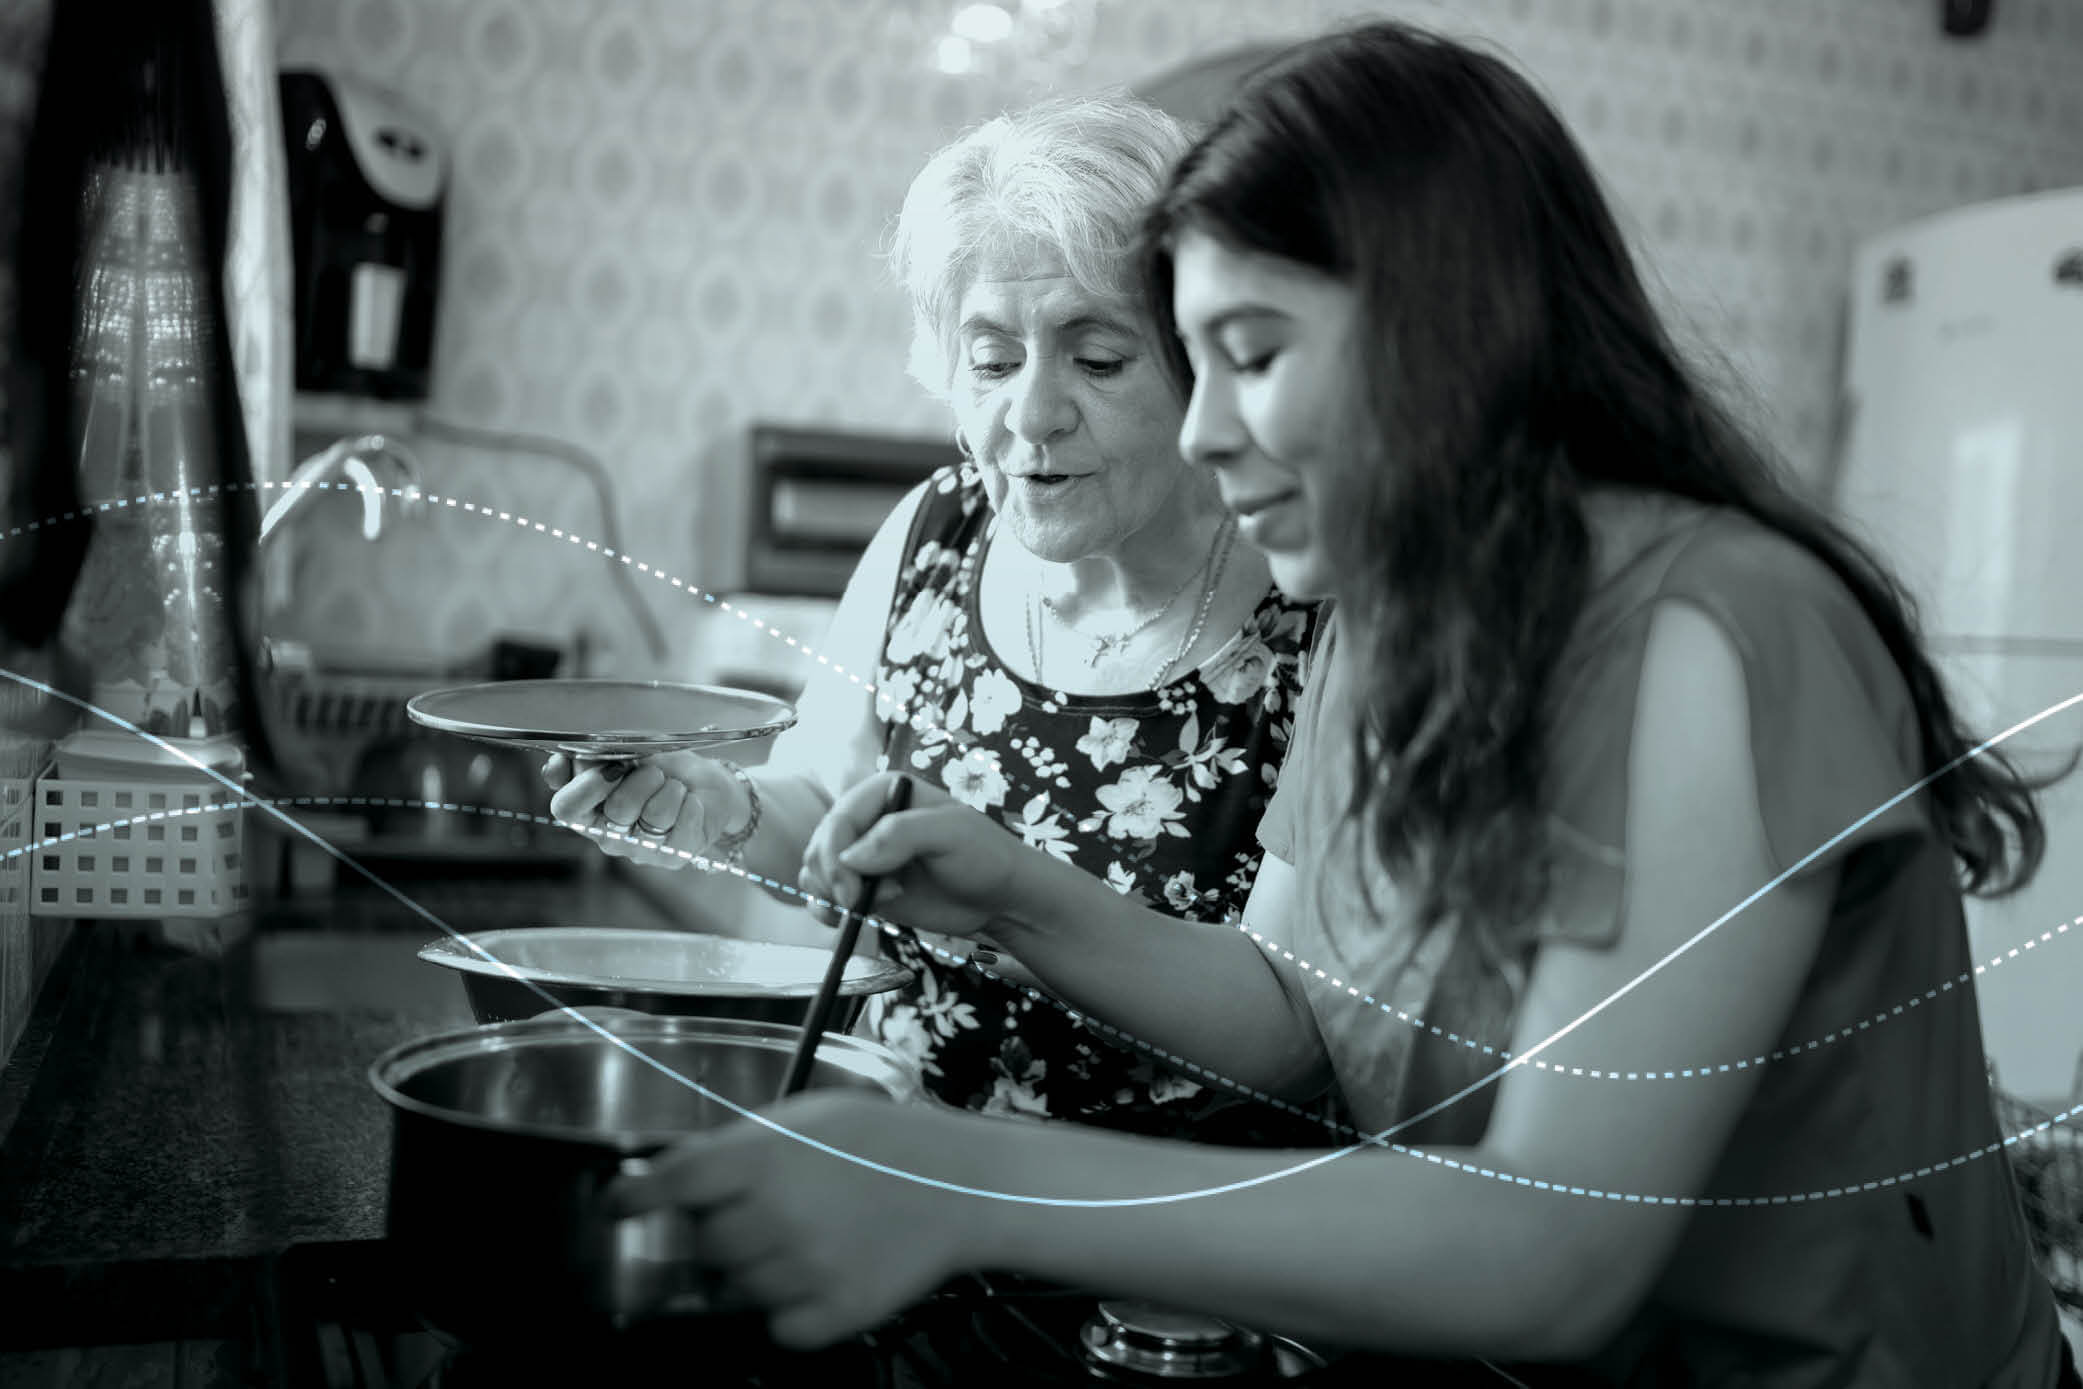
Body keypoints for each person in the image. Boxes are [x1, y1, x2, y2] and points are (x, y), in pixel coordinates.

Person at [599, 21, 2083, 1386]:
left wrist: (956, 1178)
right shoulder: (1391, 629)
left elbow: (1547, 1249)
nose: (1198, 429)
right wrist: (1004, 895)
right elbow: (1314, 1021)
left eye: (1243, 354)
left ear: (1439, 334)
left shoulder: (1707, 629)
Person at [545, 94, 1337, 1144]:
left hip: (1168, 1253)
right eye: (993, 359)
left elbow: (1289, 1035)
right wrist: (716, 810)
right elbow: (828, 814)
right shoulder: (936, 532)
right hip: (899, 1187)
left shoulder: (1317, 603)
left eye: (1097, 360)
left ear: (1199, 362)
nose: (1031, 413)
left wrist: (1013, 897)